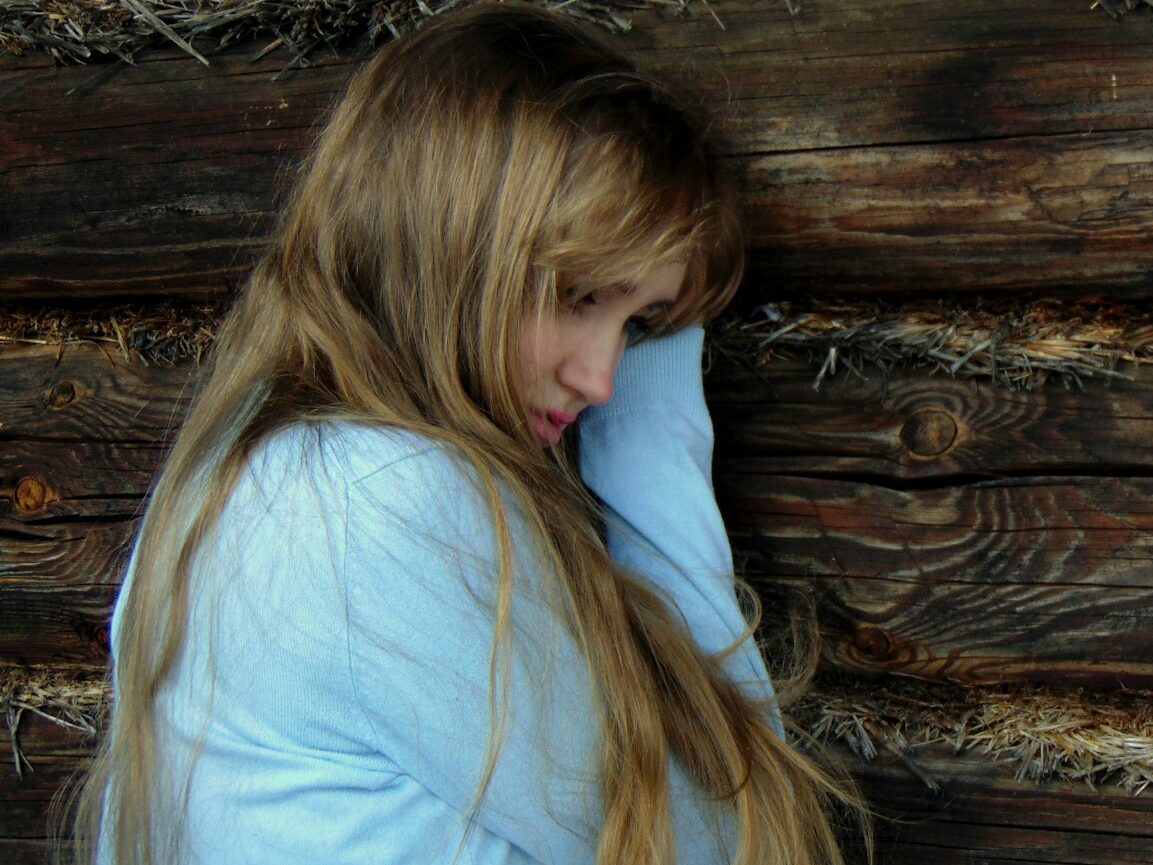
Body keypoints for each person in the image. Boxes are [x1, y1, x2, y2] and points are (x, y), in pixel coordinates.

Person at [75, 4, 863, 864]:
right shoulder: (383, 498)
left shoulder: (256, 460)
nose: (599, 379)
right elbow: (727, 835)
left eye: (643, 327)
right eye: (578, 294)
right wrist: (648, 434)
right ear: (449, 249)